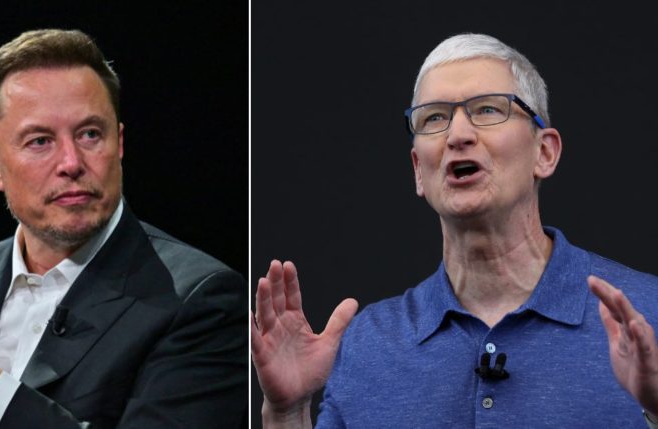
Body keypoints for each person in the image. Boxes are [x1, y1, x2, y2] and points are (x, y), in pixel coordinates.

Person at [0, 29, 246, 428]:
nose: (71, 162)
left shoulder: (198, 299)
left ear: (119, 144)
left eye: (90, 134)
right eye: (40, 141)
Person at [251, 33, 658, 427]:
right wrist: (286, 414)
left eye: (487, 110)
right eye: (434, 118)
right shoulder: (370, 344)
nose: (457, 136)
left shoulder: (648, 315)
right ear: (418, 172)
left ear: (545, 152)